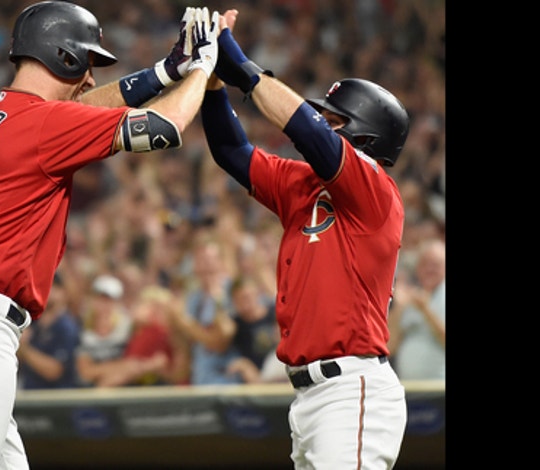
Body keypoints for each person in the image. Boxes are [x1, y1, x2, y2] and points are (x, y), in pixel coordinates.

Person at [0, 3, 221, 467]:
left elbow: (75, 111)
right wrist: (201, 68)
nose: (92, 78)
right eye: (88, 64)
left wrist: (165, 70)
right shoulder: (42, 124)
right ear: (65, 57)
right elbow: (163, 127)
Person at [201, 8, 410, 469]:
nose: (323, 123)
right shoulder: (304, 186)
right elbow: (231, 151)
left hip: (352, 389)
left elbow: (306, 132)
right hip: (309, 398)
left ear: (364, 134)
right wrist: (215, 80)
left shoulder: (376, 191)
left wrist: (238, 61)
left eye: (335, 120)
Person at [166, 235, 239, 385]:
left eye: (209, 260)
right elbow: (188, 344)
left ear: (220, 262)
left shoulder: (232, 292)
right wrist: (173, 323)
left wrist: (184, 323)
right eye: (199, 260)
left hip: (227, 381)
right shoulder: (194, 298)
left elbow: (220, 343)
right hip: (200, 380)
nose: (205, 266)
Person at [387, 237, 445, 380]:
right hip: (410, 390)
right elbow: (390, 347)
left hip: (439, 391)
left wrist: (426, 310)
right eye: (425, 263)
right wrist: (399, 308)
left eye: (435, 264)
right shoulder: (410, 298)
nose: (429, 269)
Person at [17, 275, 82, 389]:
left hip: (55, 399)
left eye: (55, 288)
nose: (50, 292)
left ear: (64, 293)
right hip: (29, 394)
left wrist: (23, 348)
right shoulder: (32, 322)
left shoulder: (66, 327)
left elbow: (54, 371)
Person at [223, 276, 285, 384]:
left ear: (257, 294)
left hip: (279, 368)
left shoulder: (274, 313)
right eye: (240, 299)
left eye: (248, 297)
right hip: (254, 376)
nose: (246, 302)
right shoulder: (234, 324)